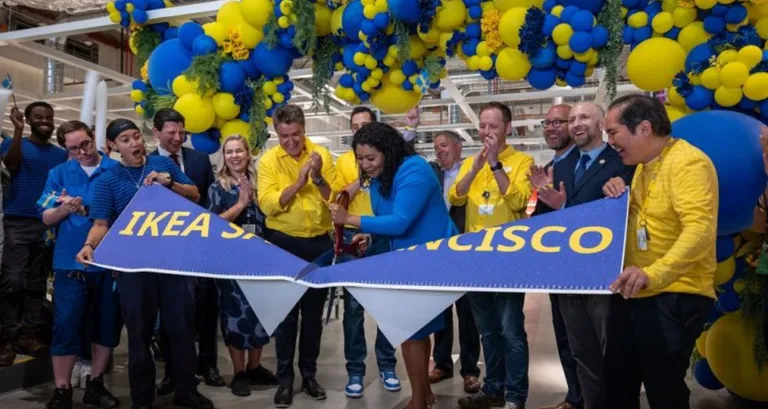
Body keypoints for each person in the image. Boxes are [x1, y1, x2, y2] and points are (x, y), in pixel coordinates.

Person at [76, 119, 213, 409]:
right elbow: (100, 224)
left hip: (174, 263)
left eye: (136, 137)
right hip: (134, 268)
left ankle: (186, 389)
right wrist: (89, 246)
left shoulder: (163, 165)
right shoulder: (108, 180)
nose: (135, 143)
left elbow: (195, 194)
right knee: (139, 334)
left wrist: (169, 182)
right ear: (113, 146)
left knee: (181, 328)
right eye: (125, 140)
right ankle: (142, 399)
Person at [328, 121, 458, 409]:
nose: (365, 165)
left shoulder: (414, 170)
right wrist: (370, 235)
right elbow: (388, 219)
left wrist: (350, 219)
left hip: (429, 259)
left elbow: (401, 222)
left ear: (388, 151)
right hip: (407, 260)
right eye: (360, 159)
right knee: (417, 330)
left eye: (370, 158)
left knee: (412, 331)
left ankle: (418, 401)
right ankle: (424, 394)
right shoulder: (380, 177)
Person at [601, 95, 717, 409]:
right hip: (635, 290)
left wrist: (653, 274)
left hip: (674, 293)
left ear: (644, 128)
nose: (610, 142)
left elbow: (700, 231)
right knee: (616, 382)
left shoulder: (688, 163)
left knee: (664, 390)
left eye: (613, 132)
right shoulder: (643, 166)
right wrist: (619, 199)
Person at [531, 102, 634, 409]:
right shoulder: (561, 166)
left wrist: (564, 206)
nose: (576, 124)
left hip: (604, 276)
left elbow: (617, 218)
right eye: (573, 118)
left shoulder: (622, 162)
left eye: (584, 117)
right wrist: (545, 197)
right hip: (567, 275)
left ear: (601, 123)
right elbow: (546, 222)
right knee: (581, 353)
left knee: (610, 353)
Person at [450, 102, 534, 409]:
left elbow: (518, 201)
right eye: (482, 126)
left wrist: (496, 164)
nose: (486, 132)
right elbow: (456, 196)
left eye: (493, 126)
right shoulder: (471, 162)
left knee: (511, 331)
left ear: (507, 128)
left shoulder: (523, 161)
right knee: (487, 330)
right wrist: (475, 167)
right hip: (476, 259)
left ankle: (515, 396)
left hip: (508, 259)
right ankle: (493, 389)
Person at [257, 104, 337, 408]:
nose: (291, 141)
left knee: (313, 318)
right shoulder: (268, 161)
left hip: (318, 244)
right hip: (283, 244)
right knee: (287, 317)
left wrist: (317, 177)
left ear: (304, 129)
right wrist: (299, 183)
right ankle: (285, 380)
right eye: (285, 136)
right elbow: (267, 205)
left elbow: (334, 198)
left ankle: (309, 375)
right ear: (276, 134)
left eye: (297, 134)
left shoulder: (321, 154)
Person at [38, 121, 121, 409]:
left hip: (109, 261)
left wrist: (87, 210)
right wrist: (64, 208)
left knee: (106, 325)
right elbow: (45, 216)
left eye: (85, 144)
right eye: (73, 149)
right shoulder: (59, 173)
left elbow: (126, 213)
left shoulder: (115, 169)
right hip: (69, 262)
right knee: (65, 323)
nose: (82, 152)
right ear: (66, 149)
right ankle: (62, 388)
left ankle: (95, 384)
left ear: (93, 137)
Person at [148, 108, 224, 393]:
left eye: (182, 132)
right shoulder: (147, 162)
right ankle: (172, 372)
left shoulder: (199, 159)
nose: (178, 138)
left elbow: (208, 199)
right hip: (164, 248)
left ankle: (209, 365)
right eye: (172, 133)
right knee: (173, 313)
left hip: (199, 243)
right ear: (156, 132)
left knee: (207, 307)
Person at [333, 106, 400, 398]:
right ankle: (355, 371)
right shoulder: (344, 162)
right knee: (353, 309)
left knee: (387, 306)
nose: (359, 130)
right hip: (353, 238)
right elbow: (338, 199)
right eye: (354, 126)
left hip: (383, 237)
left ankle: (387, 365)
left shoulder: (389, 164)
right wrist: (360, 179)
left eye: (365, 125)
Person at [207, 135, 277, 396]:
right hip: (231, 263)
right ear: (223, 157)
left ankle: (254, 367)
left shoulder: (262, 183)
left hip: (261, 261)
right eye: (229, 152)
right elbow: (212, 225)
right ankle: (238, 372)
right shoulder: (218, 188)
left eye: (239, 151)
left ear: (248, 154)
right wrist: (240, 204)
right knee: (234, 317)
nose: (234, 156)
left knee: (259, 314)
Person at [0, 102, 68, 365]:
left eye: (49, 117)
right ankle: (7, 339)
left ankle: (29, 336)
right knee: (12, 281)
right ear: (27, 120)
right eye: (38, 117)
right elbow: (11, 165)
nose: (45, 121)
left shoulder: (60, 155)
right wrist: (17, 131)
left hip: (47, 225)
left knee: (37, 283)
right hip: (18, 222)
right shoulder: (14, 144)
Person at [530, 104, 582, 409]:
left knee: (583, 340)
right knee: (565, 336)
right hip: (557, 268)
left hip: (583, 267)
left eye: (558, 122)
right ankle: (575, 396)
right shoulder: (551, 167)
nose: (551, 128)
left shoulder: (583, 162)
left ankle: (585, 397)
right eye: (546, 122)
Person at [428, 130, 482, 394]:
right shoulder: (432, 173)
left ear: (459, 146)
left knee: (468, 313)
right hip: (438, 251)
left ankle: (470, 370)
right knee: (440, 311)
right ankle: (442, 364)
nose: (439, 151)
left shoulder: (475, 171)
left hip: (466, 250)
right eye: (436, 147)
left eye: (444, 145)